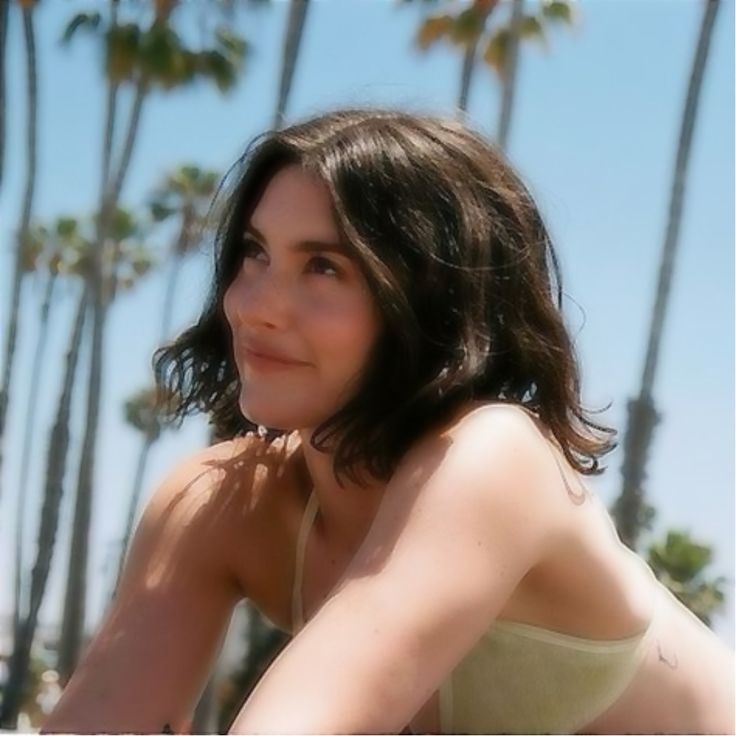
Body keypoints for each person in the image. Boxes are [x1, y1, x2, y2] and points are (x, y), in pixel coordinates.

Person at [43, 108, 734, 735]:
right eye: (255, 253)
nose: (257, 307)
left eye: (322, 267)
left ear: (431, 300)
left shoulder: (493, 458)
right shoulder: (225, 503)